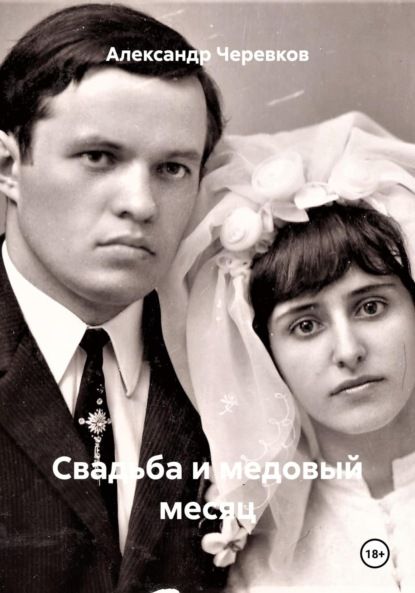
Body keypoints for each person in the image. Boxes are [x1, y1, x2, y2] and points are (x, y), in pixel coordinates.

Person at [0, 4, 226, 593]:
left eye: (172, 168)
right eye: (99, 157)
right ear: (8, 166)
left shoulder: (233, 360)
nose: (141, 204)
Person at [160, 112, 415, 592]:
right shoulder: (247, 551)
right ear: (264, 351)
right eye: (305, 325)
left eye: (371, 307)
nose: (348, 351)